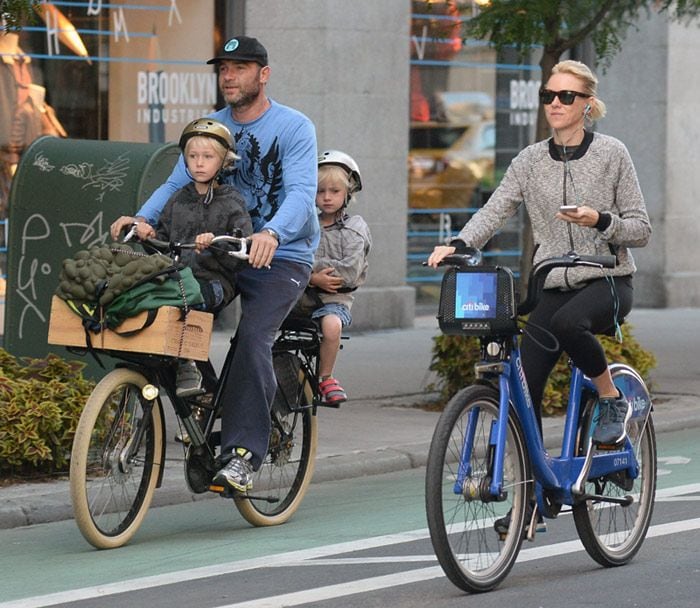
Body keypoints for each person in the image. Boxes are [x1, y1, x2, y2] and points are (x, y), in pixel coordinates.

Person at [111, 36, 319, 493]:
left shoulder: (293, 127)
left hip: (277, 255)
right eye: (223, 68)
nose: (228, 76)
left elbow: (303, 195)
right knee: (173, 308)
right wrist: (141, 219)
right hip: (214, 252)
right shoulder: (209, 129)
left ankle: (243, 453)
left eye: (240, 68)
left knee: (251, 338)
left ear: (263, 74)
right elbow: (174, 182)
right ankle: (207, 398)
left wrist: (271, 233)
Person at [428, 59, 651, 448]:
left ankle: (611, 398)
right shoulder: (529, 160)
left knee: (569, 324)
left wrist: (599, 220)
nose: (555, 103)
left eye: (566, 96)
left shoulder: (613, 153)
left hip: (607, 281)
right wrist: (460, 244)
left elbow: (641, 230)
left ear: (587, 103)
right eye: (548, 95)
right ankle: (525, 501)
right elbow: (495, 209)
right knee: (521, 397)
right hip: (550, 283)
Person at [148, 117, 253, 399]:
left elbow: (242, 246)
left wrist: (215, 243)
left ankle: (188, 368)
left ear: (224, 161)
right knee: (159, 305)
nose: (199, 163)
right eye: (192, 156)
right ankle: (206, 392)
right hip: (179, 279)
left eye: (207, 157)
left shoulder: (231, 201)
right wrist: (148, 233)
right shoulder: (178, 199)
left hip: (215, 282)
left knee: (189, 304)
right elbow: (162, 239)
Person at [295, 150, 371, 405]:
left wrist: (310, 267)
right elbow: (290, 260)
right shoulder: (306, 224)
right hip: (301, 293)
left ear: (348, 193)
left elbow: (348, 271)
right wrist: (313, 278)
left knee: (332, 326)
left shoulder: (355, 227)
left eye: (334, 191)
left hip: (334, 299)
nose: (326, 197)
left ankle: (325, 376)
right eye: (320, 191)